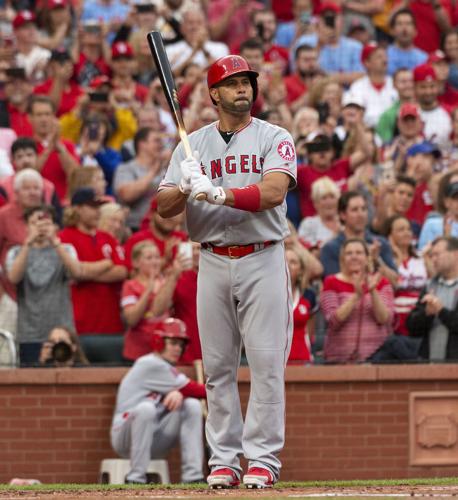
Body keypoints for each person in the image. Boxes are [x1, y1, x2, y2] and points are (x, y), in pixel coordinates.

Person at [156, 55, 296, 489]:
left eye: (246, 81)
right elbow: (163, 210)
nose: (242, 88)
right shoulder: (190, 145)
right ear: (214, 93)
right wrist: (182, 187)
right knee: (216, 367)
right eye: (232, 83)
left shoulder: (275, 136)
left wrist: (218, 192)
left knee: (266, 364)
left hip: (263, 256)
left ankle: (263, 458)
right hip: (213, 259)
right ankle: (224, 458)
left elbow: (273, 192)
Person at [110, 318, 206, 484]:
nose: (178, 348)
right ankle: (135, 478)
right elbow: (195, 390)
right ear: (159, 341)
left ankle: (193, 477)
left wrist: (181, 394)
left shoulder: (167, 368)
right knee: (146, 409)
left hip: (153, 438)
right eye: (173, 343)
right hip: (125, 438)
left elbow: (187, 392)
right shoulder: (149, 363)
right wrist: (221, 390)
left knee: (191, 405)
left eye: (181, 344)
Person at [59, 187, 128, 363]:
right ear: (77, 208)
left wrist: (85, 271)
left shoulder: (107, 237)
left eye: (99, 207)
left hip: (111, 323)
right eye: (91, 206)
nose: (97, 211)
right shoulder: (65, 236)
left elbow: (122, 271)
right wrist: (106, 264)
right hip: (81, 322)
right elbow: (75, 272)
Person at [5, 205, 80, 365]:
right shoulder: (16, 252)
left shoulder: (66, 249)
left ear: (55, 226)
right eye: (34, 223)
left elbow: (76, 273)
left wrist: (55, 242)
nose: (41, 228)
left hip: (62, 331)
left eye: (45, 223)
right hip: (29, 333)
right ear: (26, 227)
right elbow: (13, 278)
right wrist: (28, 244)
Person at [321, 238, 394, 363]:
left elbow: (385, 319)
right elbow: (333, 321)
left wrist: (372, 291)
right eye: (349, 253)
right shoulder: (331, 282)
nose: (354, 257)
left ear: (367, 257)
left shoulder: (381, 282)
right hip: (339, 359)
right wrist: (356, 296)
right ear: (342, 258)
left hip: (376, 358)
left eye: (359, 253)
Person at [121, 241, 188, 362]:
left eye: (157, 257)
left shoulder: (166, 282)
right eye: (149, 258)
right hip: (137, 352)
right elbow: (131, 319)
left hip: (163, 351)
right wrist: (148, 291)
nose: (155, 261)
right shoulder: (130, 285)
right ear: (136, 263)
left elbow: (164, 309)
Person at [320, 191, 398, 288]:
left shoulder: (380, 243)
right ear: (342, 215)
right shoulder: (331, 248)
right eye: (354, 210)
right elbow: (334, 286)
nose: (360, 214)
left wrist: (377, 260)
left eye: (364, 209)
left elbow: (395, 283)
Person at [407, 236, 458, 361]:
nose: (433, 259)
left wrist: (441, 311)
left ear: (455, 254)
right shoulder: (430, 286)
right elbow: (412, 328)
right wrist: (426, 314)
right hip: (430, 365)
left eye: (437, 254)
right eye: (431, 255)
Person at [114, 128, 165, 232]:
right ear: (142, 144)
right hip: (135, 227)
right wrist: (153, 172)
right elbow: (126, 195)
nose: (161, 145)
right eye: (156, 141)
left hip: (162, 228)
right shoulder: (126, 168)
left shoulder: (164, 169)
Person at [385, 215, 428, 336]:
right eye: (400, 229)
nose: (406, 233)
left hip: (419, 318)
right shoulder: (386, 261)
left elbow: (432, 282)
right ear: (390, 235)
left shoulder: (421, 257)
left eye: (408, 229)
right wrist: (397, 256)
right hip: (395, 322)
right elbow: (393, 285)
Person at [286, 246, 313, 364]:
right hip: (275, 362)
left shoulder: (308, 295)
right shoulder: (266, 295)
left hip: (302, 358)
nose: (287, 265)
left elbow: (310, 331)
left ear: (301, 270)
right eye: (284, 261)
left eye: (293, 262)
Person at [297, 176, 341, 250]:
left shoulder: (345, 222)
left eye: (332, 197)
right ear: (315, 203)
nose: (329, 202)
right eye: (324, 198)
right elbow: (306, 254)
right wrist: (335, 237)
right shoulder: (309, 224)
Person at [386, 8, 428, 76]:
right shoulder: (384, 56)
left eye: (408, 24)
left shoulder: (424, 59)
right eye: (400, 24)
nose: (404, 28)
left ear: (416, 31)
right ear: (392, 31)